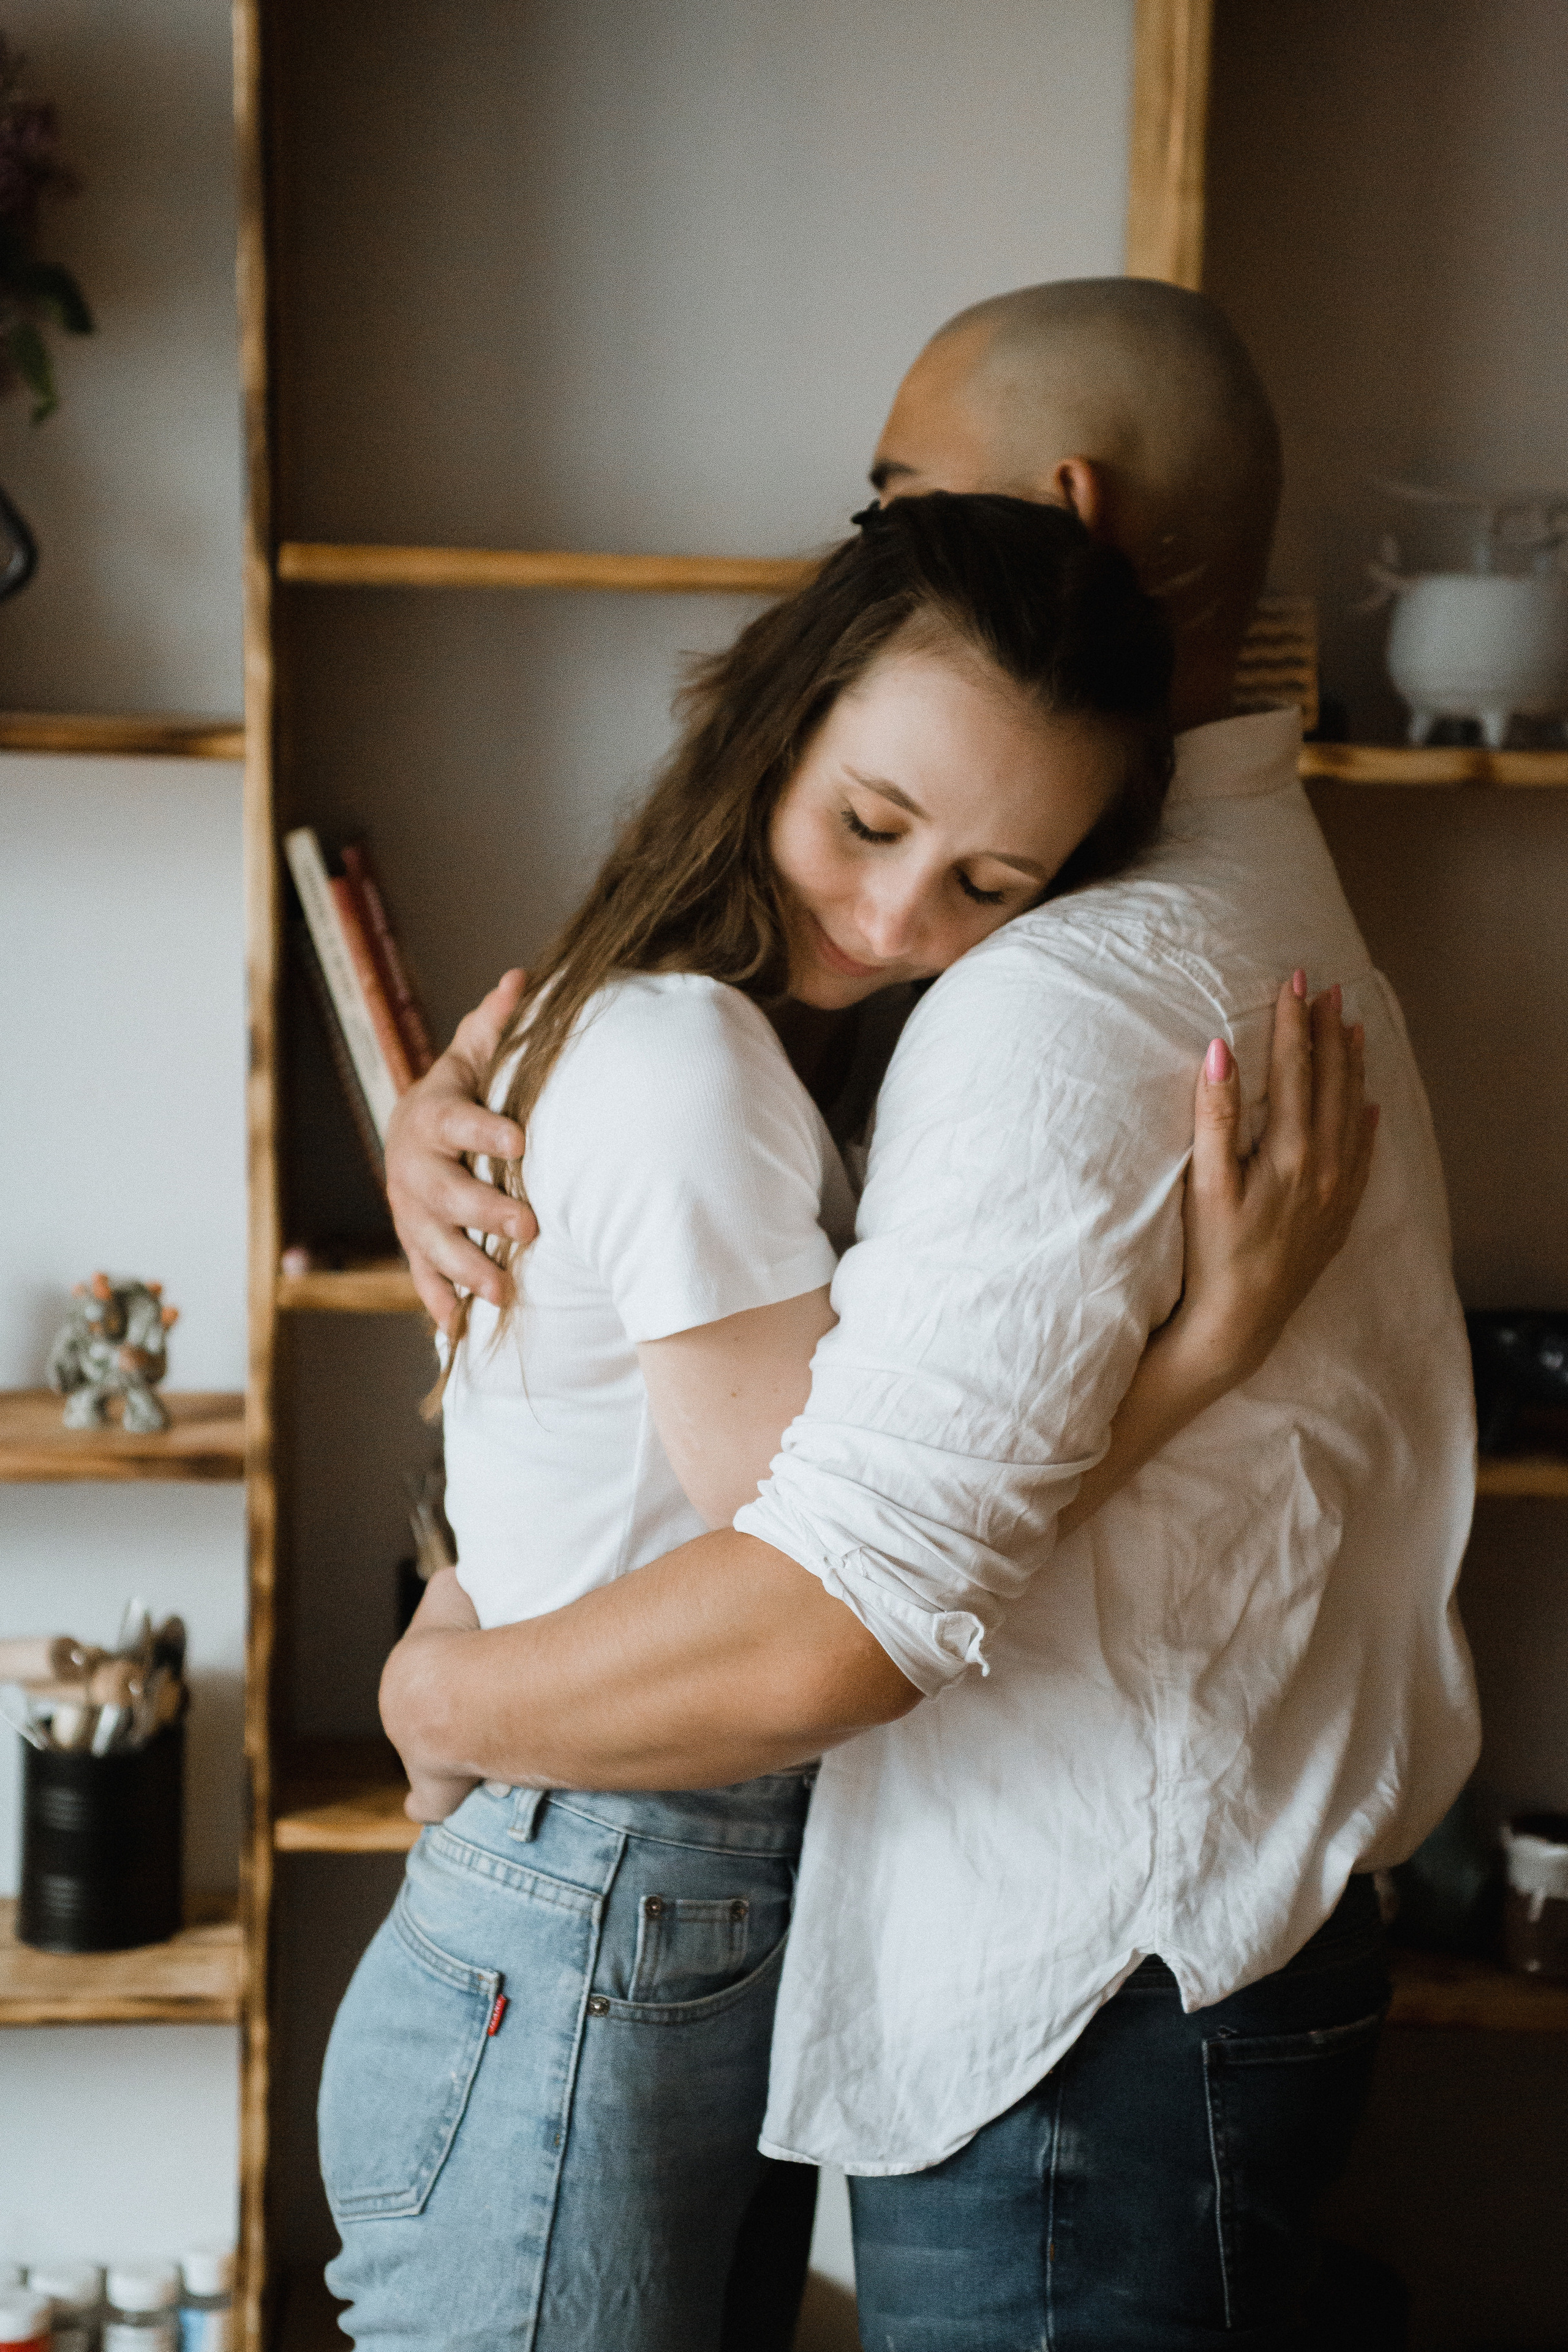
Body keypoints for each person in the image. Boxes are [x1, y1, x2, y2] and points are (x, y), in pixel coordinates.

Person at [379, 280, 1479, 2345]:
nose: (900, 914)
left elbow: (826, 1596)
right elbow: (774, 1494)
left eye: (891, 503)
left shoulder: (1050, 991)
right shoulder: (1078, 937)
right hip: (629, 1887)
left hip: (1054, 1966)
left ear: (1062, 513)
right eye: (873, 827)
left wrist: (438, 1698)